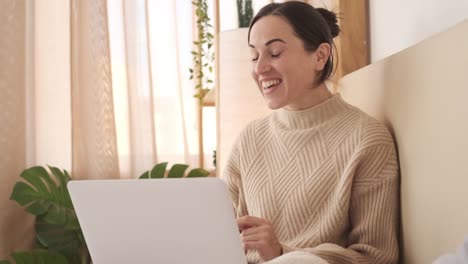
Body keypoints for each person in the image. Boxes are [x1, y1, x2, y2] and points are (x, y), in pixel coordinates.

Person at [221, 1, 399, 264]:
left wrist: (283, 253)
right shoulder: (249, 139)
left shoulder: (367, 139)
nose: (260, 69)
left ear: (320, 56)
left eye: (275, 52)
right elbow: (218, 236)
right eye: (254, 56)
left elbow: (377, 257)